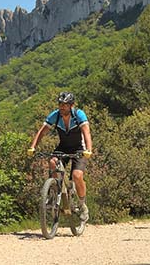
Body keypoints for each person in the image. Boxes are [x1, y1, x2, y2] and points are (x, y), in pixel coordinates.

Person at [27, 92, 93, 222]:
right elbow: (42, 131)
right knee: (52, 162)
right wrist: (33, 147)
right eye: (60, 104)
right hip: (63, 147)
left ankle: (82, 205)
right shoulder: (55, 115)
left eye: (65, 105)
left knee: (77, 175)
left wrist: (89, 149)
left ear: (71, 105)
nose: (62, 107)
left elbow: (86, 132)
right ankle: (55, 191)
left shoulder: (79, 115)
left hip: (80, 148)